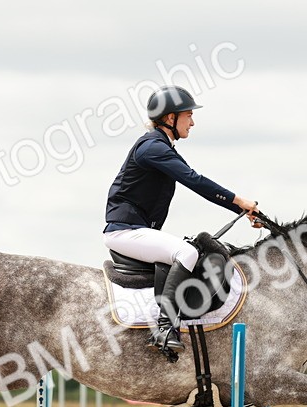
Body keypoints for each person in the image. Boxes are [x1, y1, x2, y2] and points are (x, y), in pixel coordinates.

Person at [103, 85, 264, 359]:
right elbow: (195, 180)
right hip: (125, 231)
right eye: (188, 115)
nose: (192, 122)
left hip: (133, 230)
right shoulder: (152, 148)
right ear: (170, 118)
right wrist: (240, 202)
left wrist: (240, 208)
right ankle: (165, 328)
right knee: (186, 252)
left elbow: (195, 180)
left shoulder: (162, 146)